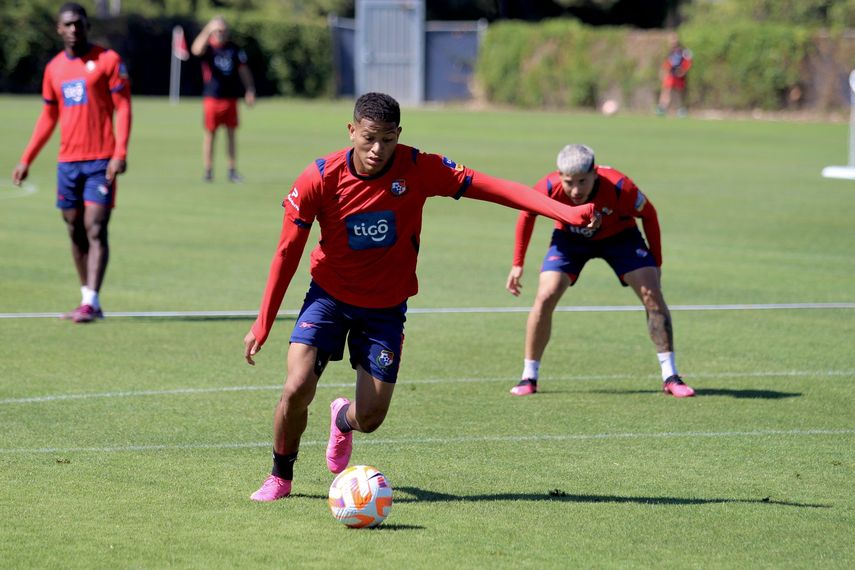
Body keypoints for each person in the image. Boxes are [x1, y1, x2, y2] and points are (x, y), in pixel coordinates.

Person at [244, 93, 601, 502]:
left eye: (388, 139)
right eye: (369, 138)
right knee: (297, 387)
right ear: (351, 131)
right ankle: (280, 476)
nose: (378, 149)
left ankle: (341, 419)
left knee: (372, 417)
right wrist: (264, 320)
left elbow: (494, 187)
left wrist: (565, 212)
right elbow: (287, 251)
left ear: (400, 134)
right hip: (329, 297)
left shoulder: (419, 167)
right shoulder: (319, 178)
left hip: (385, 308)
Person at [505, 144, 694, 399]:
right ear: (559, 175)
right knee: (546, 295)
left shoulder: (620, 187)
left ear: (595, 173)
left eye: (582, 181)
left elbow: (649, 215)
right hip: (569, 239)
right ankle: (529, 376)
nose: (575, 190)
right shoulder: (549, 187)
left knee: (651, 292)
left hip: (620, 237)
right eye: (569, 182)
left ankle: (671, 376)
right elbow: (527, 214)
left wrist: (656, 264)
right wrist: (518, 263)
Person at [11, 2, 132, 324]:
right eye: (68, 24)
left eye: (79, 23)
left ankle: (92, 301)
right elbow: (48, 116)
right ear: (59, 29)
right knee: (74, 228)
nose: (74, 29)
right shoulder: (54, 69)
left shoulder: (108, 61)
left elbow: (124, 107)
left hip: (100, 161)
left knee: (95, 226)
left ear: (87, 26)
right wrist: (27, 159)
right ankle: (86, 297)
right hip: (67, 162)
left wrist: (120, 152)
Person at [191, 16, 255, 183]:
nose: (221, 33)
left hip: (230, 98)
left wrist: (249, 89)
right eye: (217, 30)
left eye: (223, 30)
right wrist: (207, 29)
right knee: (210, 135)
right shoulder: (208, 48)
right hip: (212, 97)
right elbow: (195, 50)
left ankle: (232, 170)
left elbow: (244, 70)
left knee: (231, 134)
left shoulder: (234, 49)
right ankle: (208, 170)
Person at [656, 33, 692, 117]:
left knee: (678, 92)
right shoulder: (670, 52)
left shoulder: (684, 51)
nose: (672, 42)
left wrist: (683, 71)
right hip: (670, 74)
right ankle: (662, 108)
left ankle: (681, 109)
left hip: (679, 75)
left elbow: (688, 62)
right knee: (666, 90)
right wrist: (663, 71)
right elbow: (667, 63)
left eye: (673, 40)